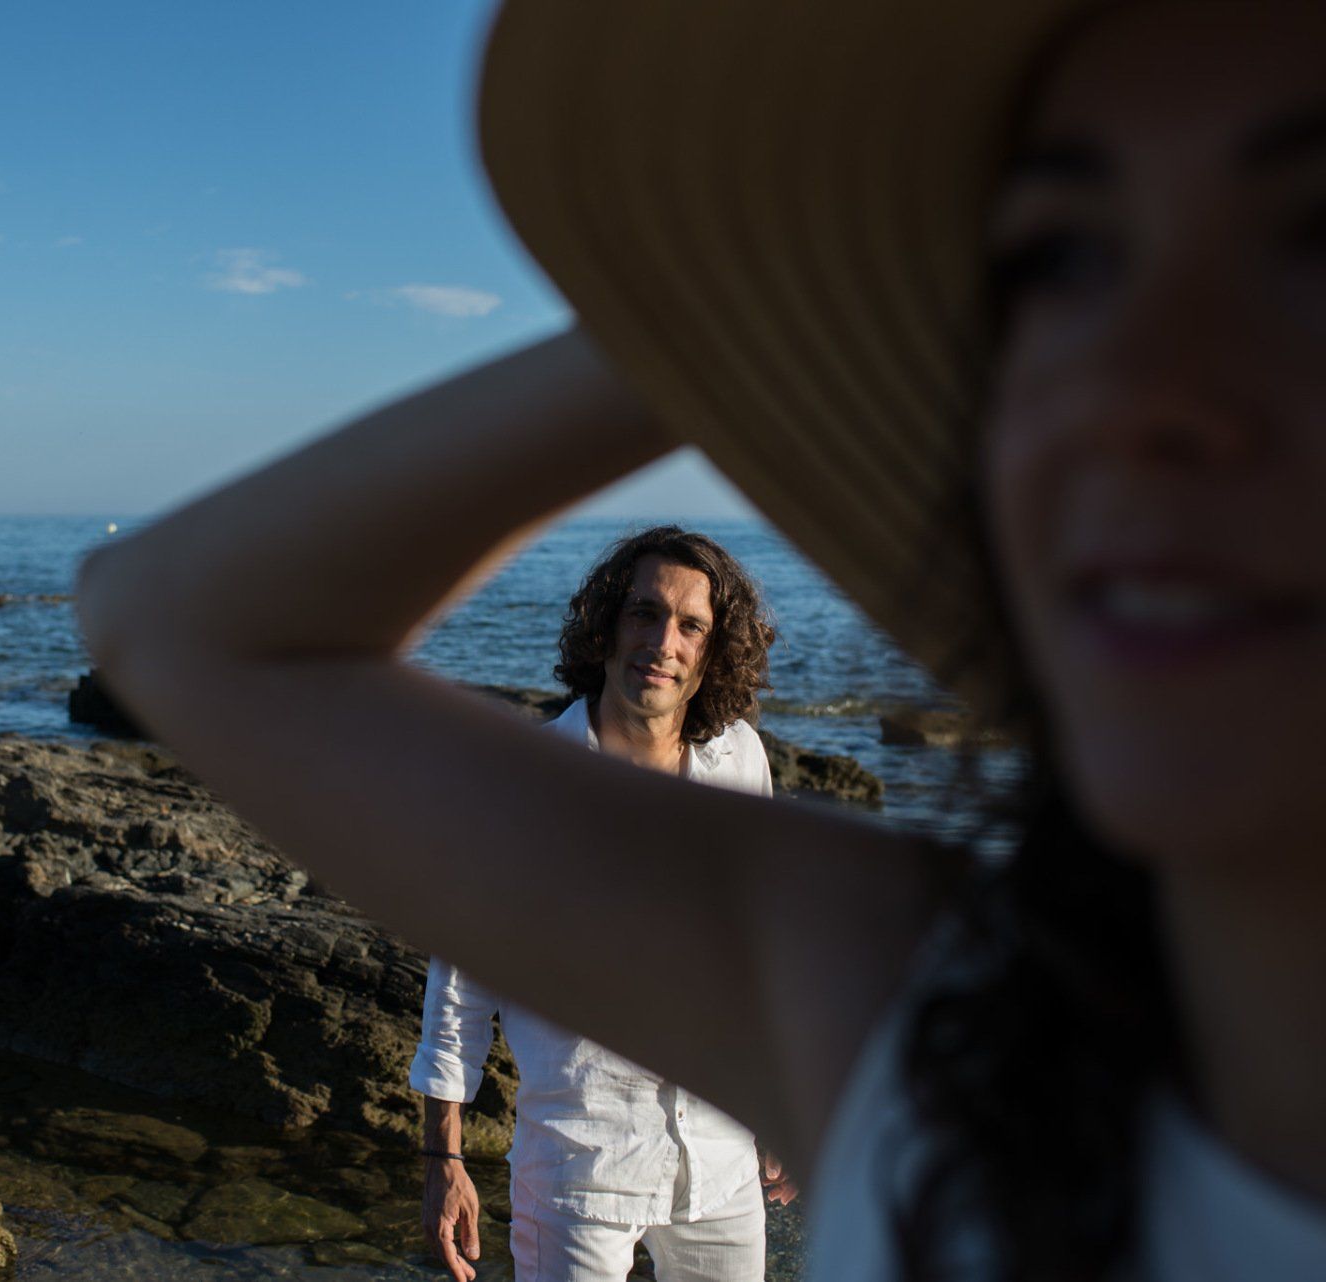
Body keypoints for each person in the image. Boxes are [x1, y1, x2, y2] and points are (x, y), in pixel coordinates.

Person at [78, 1, 1326, 1276]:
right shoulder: (918, 1014)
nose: (1132, 389)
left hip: (713, 1171)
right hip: (582, 1161)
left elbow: (190, 627)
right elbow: (173, 621)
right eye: (1058, 258)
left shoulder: (826, 931)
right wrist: (716, 326)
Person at [411, 527, 787, 1282]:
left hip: (720, 1167)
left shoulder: (738, 758)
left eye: (690, 626)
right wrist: (443, 1159)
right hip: (580, 1167)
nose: (663, 643)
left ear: (714, 652)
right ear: (606, 625)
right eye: (645, 613)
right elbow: (460, 986)